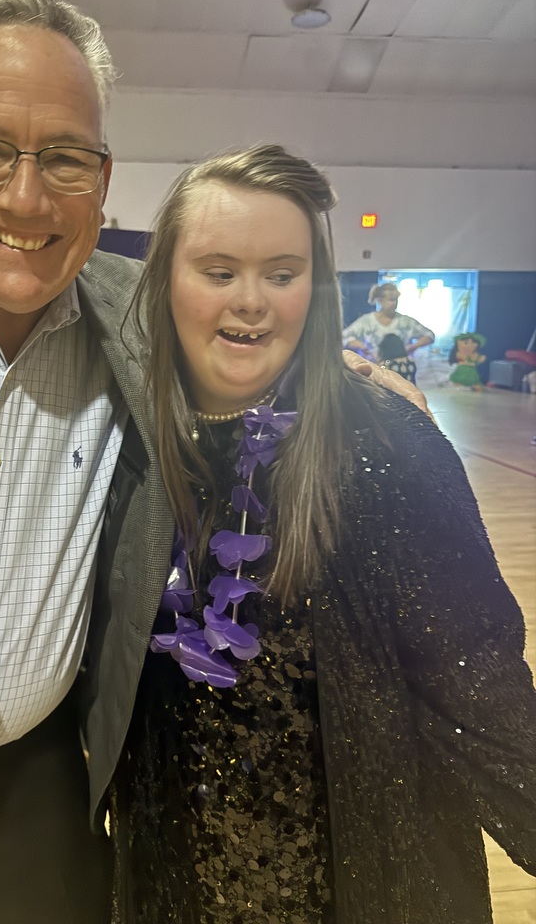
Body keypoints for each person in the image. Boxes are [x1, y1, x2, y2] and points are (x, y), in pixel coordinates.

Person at [0, 0, 430, 924]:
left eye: (65, 158)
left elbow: (244, 322)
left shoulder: (135, 313)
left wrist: (344, 367)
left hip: (42, 808)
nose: (27, 197)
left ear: (104, 176)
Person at [105, 144, 536, 924]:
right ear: (167, 279)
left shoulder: (386, 444)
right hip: (178, 876)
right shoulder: (127, 438)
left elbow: (480, 684)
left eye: (281, 272)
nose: (252, 301)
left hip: (362, 876)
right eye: (218, 270)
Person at [343, 281, 435, 362]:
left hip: (400, 370)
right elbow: (344, 336)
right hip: (373, 369)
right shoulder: (367, 321)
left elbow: (429, 335)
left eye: (396, 300)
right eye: (390, 300)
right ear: (380, 300)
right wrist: (362, 347)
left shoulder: (406, 321)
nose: (394, 303)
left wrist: (413, 347)